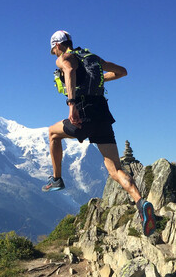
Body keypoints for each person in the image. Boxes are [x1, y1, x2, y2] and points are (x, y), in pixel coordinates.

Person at [43, 30, 156, 236]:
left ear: (58, 45)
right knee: (115, 170)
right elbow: (122, 72)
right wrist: (95, 80)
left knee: (52, 133)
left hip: (82, 114)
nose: (54, 54)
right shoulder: (93, 59)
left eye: (53, 50)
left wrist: (72, 104)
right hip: (103, 116)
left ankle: (57, 179)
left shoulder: (65, 58)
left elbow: (68, 70)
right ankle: (141, 203)